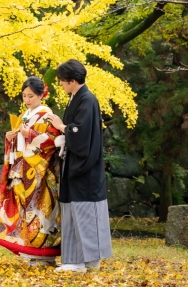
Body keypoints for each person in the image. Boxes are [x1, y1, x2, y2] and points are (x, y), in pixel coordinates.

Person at [48, 59, 113, 273]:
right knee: (73, 211)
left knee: (85, 211)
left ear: (73, 80)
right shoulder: (77, 98)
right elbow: (73, 130)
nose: (61, 85)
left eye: (62, 81)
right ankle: (75, 260)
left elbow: (81, 133)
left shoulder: (87, 100)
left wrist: (61, 126)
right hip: (74, 163)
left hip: (85, 166)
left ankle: (89, 260)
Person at [0, 76, 62, 266]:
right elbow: (21, 143)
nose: (27, 100)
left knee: (41, 210)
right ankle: (29, 250)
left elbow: (53, 141)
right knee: (26, 210)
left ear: (41, 95)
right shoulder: (26, 115)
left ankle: (44, 253)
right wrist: (11, 138)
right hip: (23, 171)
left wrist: (29, 134)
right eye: (24, 96)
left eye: (31, 96)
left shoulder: (46, 115)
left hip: (41, 172)